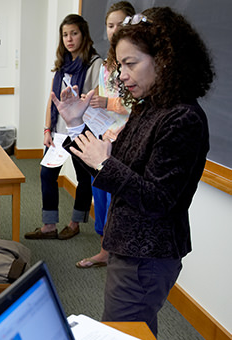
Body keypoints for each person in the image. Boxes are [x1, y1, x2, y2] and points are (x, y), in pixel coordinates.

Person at [51, 7, 213, 336]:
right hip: (130, 246)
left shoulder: (182, 118)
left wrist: (105, 164)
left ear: (164, 59)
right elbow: (111, 169)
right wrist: (75, 125)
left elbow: (157, 199)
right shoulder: (150, 106)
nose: (121, 75)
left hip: (146, 254)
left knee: (123, 333)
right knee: (128, 331)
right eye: (120, 64)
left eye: (130, 64)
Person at [25, 14, 102, 240]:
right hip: (58, 132)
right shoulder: (62, 65)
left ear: (83, 35)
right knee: (47, 174)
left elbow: (97, 100)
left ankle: (75, 222)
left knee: (83, 178)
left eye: (74, 33)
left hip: (82, 131)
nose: (69, 39)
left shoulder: (95, 64)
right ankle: (49, 226)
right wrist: (47, 130)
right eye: (65, 34)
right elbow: (52, 100)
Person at [76, 1, 135, 269]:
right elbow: (103, 97)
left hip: (126, 139)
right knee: (99, 195)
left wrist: (107, 103)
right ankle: (103, 249)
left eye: (120, 25)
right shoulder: (107, 64)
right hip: (104, 136)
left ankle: (115, 252)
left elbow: (139, 105)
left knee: (116, 200)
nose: (114, 30)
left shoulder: (138, 61)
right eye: (110, 26)